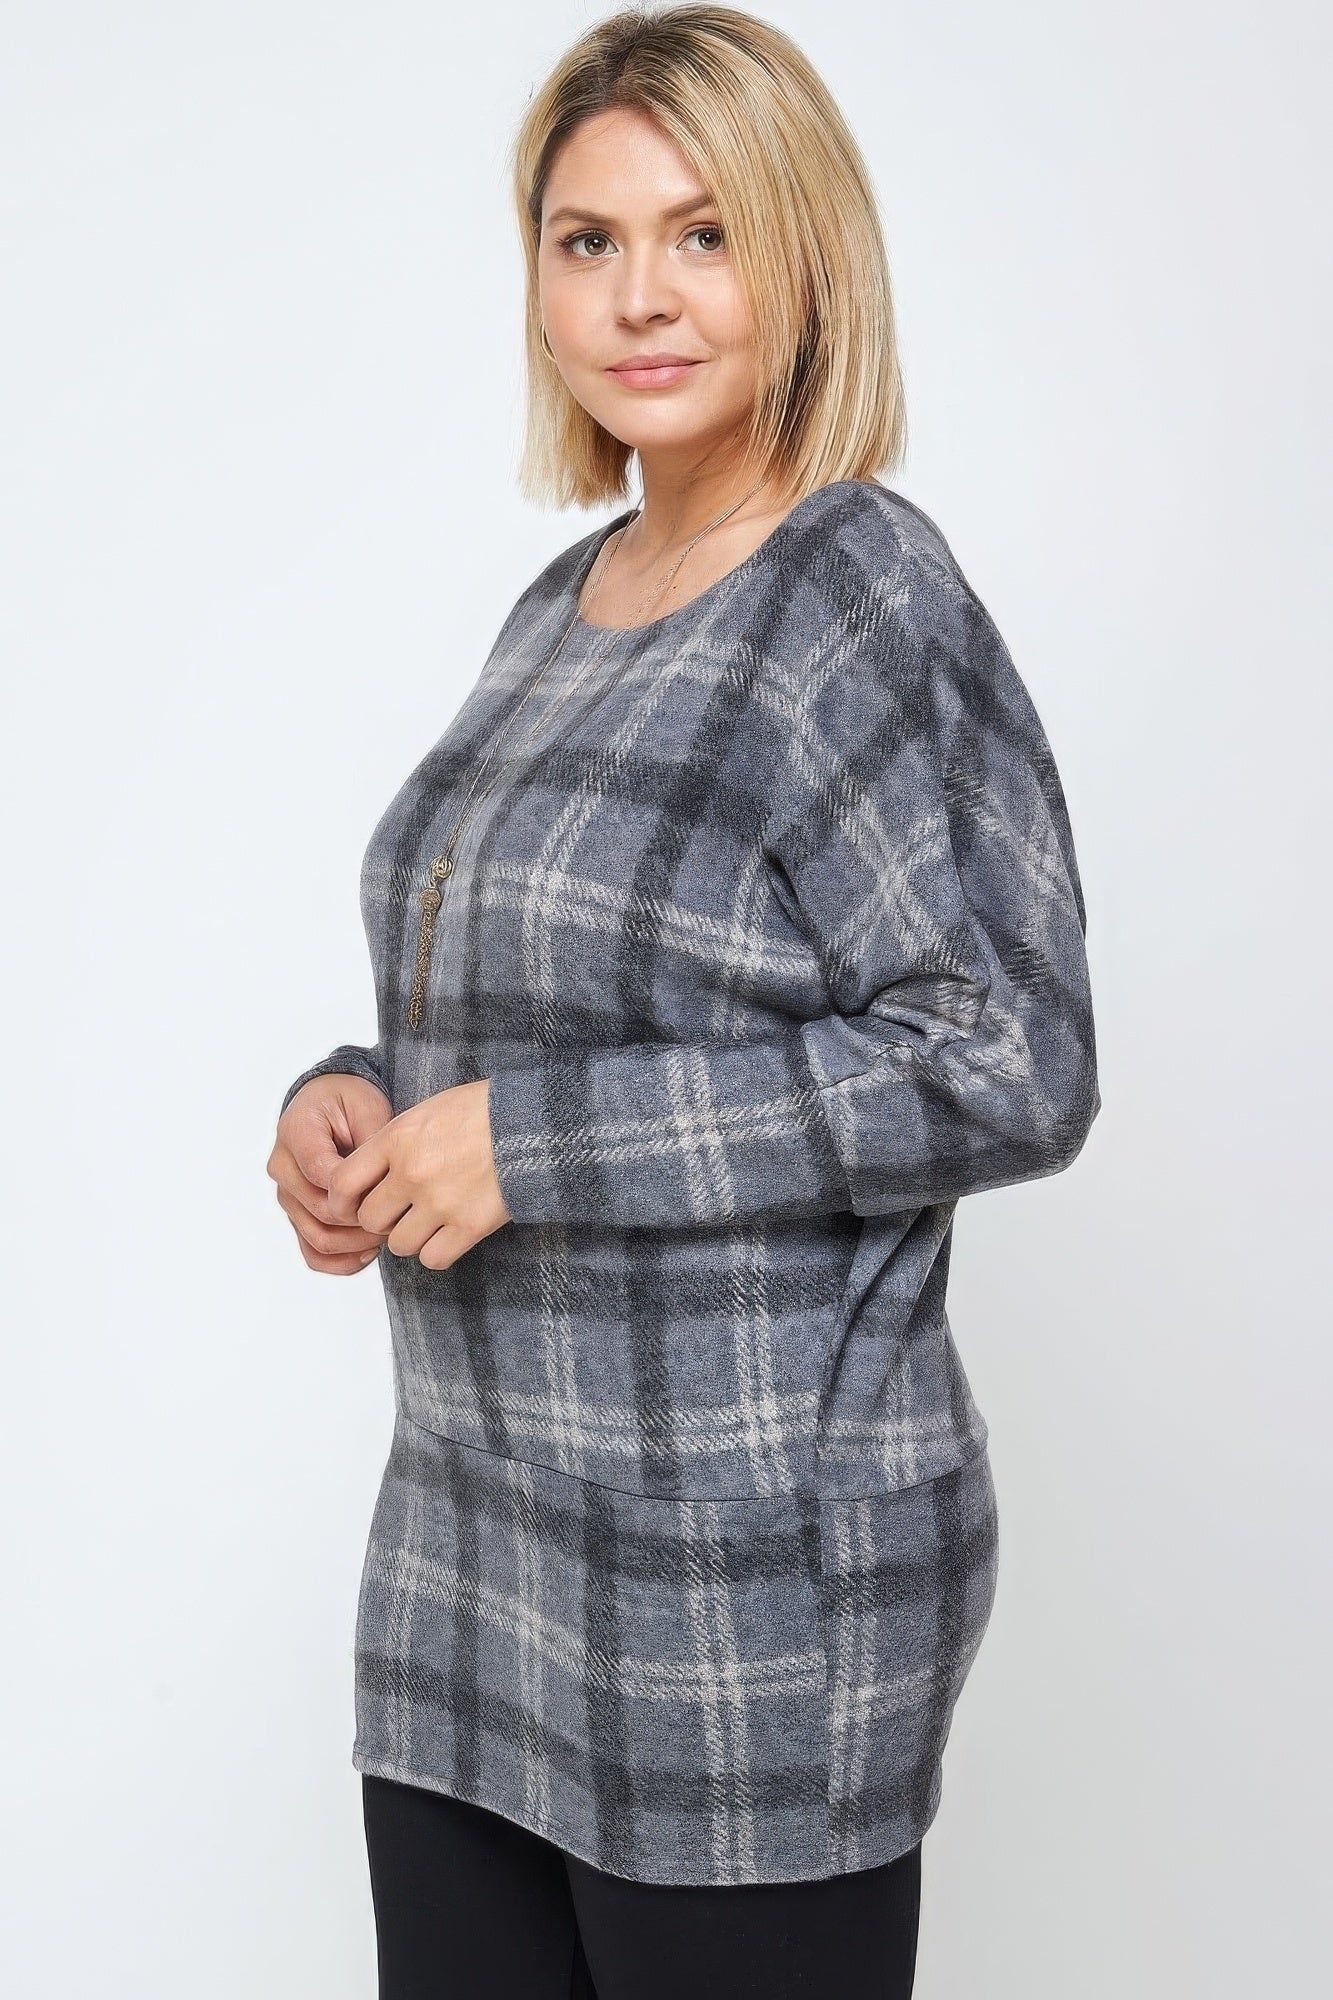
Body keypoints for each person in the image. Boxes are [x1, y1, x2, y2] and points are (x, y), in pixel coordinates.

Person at [266, 6, 1101, 1995]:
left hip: (737, 1601)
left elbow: (1010, 1056)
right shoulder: (560, 607)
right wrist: (356, 1096)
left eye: (703, 233)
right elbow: (556, 1002)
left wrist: (530, 1147)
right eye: (587, 239)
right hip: (475, 1571)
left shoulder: (854, 591)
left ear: (804, 257)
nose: (639, 294)